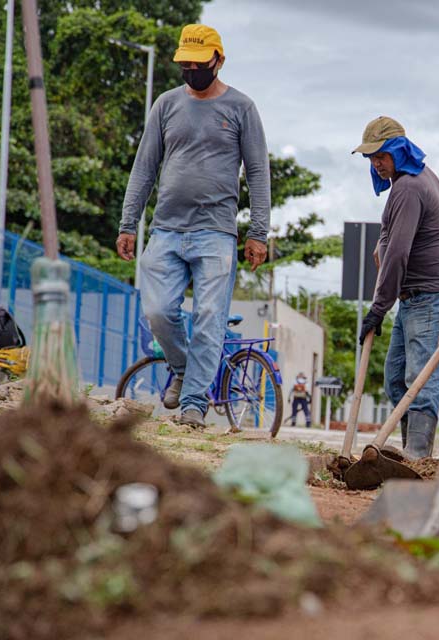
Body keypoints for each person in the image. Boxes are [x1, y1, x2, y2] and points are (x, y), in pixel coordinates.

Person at [117, 24, 269, 428]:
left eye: (198, 64)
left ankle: (194, 405)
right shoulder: (166, 105)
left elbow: (257, 173)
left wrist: (258, 232)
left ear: (218, 61)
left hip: (217, 233)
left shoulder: (241, 109)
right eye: (184, 64)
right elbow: (144, 168)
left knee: (208, 317)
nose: (190, 70)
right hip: (166, 230)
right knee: (157, 311)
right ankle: (182, 368)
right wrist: (128, 223)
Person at [353, 117, 439, 458]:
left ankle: (417, 454)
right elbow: (390, 242)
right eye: (370, 158)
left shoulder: (410, 186)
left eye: (380, 156)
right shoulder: (409, 181)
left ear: (398, 150)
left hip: (432, 296)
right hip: (412, 298)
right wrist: (381, 247)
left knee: (420, 379)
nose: (376, 163)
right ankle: (405, 455)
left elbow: (398, 254)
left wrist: (377, 309)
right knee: (397, 378)